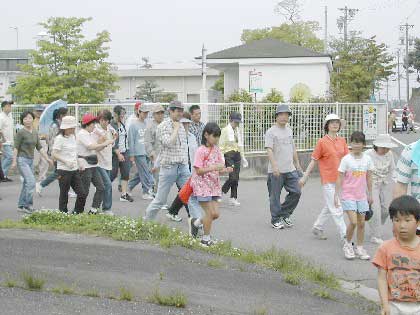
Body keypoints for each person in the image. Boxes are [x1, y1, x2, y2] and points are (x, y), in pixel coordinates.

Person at [144, 101, 202, 222]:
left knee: (191, 196)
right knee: (160, 199)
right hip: (169, 167)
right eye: (177, 111)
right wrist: (175, 129)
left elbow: (183, 147)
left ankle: (198, 224)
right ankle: (146, 222)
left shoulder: (181, 126)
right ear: (170, 111)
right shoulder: (163, 126)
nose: (180, 113)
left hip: (183, 167)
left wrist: (187, 165)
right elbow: (168, 143)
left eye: (181, 111)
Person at [300, 114, 348, 242]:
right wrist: (305, 176)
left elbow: (348, 160)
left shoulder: (342, 141)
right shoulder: (322, 142)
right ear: (327, 125)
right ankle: (345, 236)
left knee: (330, 205)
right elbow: (313, 160)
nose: (335, 124)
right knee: (336, 207)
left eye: (337, 122)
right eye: (332, 122)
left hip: (341, 180)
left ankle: (317, 226)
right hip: (328, 180)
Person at [372, 195, 420, 315]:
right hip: (393, 305)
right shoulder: (385, 248)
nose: (402, 225)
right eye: (397, 220)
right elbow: (382, 278)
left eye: (407, 220)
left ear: (418, 222)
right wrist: (384, 304)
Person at [189, 122, 233, 246]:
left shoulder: (216, 150)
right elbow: (198, 170)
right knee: (209, 213)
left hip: (214, 186)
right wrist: (214, 167)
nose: (217, 139)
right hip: (202, 186)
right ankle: (205, 239)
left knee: (215, 214)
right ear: (206, 135)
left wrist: (225, 169)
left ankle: (196, 223)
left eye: (218, 136)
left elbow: (219, 167)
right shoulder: (200, 151)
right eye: (215, 136)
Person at [335, 131, 373, 260]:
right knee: (353, 221)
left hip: (361, 196)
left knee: (362, 223)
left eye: (359, 143)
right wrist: (336, 195)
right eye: (354, 142)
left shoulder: (367, 159)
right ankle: (347, 244)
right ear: (351, 143)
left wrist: (370, 194)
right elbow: (339, 177)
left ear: (363, 144)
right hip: (348, 195)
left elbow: (369, 177)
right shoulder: (346, 159)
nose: (356, 145)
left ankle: (360, 247)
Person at [265, 104, 303, 229]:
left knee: (296, 192)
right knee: (275, 196)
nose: (284, 117)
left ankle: (285, 213)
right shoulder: (271, 132)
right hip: (276, 171)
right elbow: (269, 150)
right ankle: (275, 219)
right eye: (281, 114)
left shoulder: (289, 130)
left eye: (286, 114)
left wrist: (297, 165)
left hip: (290, 169)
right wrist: (275, 166)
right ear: (276, 116)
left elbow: (293, 148)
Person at [11, 111, 53, 213]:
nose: (28, 120)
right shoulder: (21, 132)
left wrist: (47, 158)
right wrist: (14, 161)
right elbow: (16, 148)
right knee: (31, 182)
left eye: (29, 118)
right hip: (22, 160)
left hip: (30, 160)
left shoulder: (34, 132)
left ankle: (21, 206)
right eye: (25, 119)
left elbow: (39, 147)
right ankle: (28, 205)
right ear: (22, 121)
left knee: (26, 183)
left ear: (33, 119)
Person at [166, 112, 198, 222]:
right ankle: (193, 217)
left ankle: (172, 211)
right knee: (187, 192)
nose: (185, 126)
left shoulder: (192, 137)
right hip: (180, 168)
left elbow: (196, 154)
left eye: (187, 123)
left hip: (191, 167)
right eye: (182, 123)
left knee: (184, 192)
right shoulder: (176, 137)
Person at [77, 113, 113, 214]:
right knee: (84, 191)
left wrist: (105, 144)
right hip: (85, 165)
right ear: (88, 124)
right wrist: (105, 143)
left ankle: (93, 210)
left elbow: (97, 147)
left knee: (101, 187)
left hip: (93, 165)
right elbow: (91, 146)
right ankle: (78, 211)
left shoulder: (90, 134)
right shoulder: (82, 134)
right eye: (93, 123)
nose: (95, 125)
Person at [51, 116, 87, 214]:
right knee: (64, 194)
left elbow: (75, 153)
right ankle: (63, 214)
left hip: (74, 170)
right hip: (63, 170)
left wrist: (79, 163)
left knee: (82, 193)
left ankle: (77, 212)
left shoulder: (73, 137)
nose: (73, 129)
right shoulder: (59, 138)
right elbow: (54, 154)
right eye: (71, 127)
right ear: (65, 128)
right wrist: (65, 161)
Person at [366, 134, 397, 244]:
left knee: (385, 210)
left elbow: (393, 170)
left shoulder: (390, 154)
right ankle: (376, 235)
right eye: (383, 147)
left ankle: (375, 225)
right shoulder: (368, 154)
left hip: (383, 184)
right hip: (371, 184)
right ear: (376, 145)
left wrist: (398, 181)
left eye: (387, 147)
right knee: (376, 210)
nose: (385, 150)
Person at [36, 107, 68, 196]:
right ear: (61, 115)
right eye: (66, 114)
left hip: (57, 152)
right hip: (56, 153)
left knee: (62, 173)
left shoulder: (58, 124)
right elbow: (53, 140)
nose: (67, 116)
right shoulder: (55, 126)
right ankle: (41, 184)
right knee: (59, 172)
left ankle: (65, 191)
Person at [219, 112, 249, 206]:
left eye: (238, 122)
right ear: (230, 120)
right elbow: (221, 145)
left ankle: (233, 197)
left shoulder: (237, 131)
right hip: (229, 155)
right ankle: (221, 192)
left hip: (237, 155)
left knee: (236, 178)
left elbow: (240, 145)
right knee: (232, 177)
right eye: (235, 122)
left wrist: (243, 157)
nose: (237, 124)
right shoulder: (225, 130)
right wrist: (222, 159)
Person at [128, 102, 155, 200]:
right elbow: (131, 140)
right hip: (138, 152)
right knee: (146, 172)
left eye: (147, 113)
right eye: (144, 112)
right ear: (139, 112)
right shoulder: (133, 125)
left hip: (147, 151)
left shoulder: (147, 124)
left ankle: (128, 187)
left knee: (140, 174)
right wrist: (132, 154)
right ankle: (146, 191)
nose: (145, 115)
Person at [94, 110, 117, 215]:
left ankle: (96, 207)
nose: (104, 122)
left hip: (108, 162)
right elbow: (94, 147)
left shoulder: (110, 129)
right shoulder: (96, 130)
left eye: (106, 120)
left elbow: (113, 141)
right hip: (98, 162)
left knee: (102, 186)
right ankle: (106, 208)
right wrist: (102, 141)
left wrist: (114, 137)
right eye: (102, 120)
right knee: (107, 185)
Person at [111, 105, 133, 202]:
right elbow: (112, 142)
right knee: (113, 173)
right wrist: (118, 154)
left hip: (125, 151)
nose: (123, 116)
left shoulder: (123, 124)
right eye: (121, 114)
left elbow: (126, 138)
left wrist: (128, 153)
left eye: (124, 114)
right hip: (115, 153)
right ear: (116, 114)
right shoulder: (111, 125)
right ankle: (102, 187)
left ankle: (124, 194)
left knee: (125, 173)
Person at [145, 104, 165, 194]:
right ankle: (158, 198)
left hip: (167, 156)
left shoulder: (166, 124)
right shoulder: (150, 127)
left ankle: (159, 197)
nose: (160, 115)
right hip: (157, 156)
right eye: (158, 113)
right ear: (153, 115)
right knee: (159, 178)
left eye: (162, 113)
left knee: (165, 179)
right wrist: (153, 155)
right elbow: (148, 143)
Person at [32, 105, 49, 182]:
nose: (39, 112)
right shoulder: (31, 120)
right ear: (34, 111)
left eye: (41, 111)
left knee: (45, 161)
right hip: (34, 142)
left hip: (43, 141)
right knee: (34, 161)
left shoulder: (46, 120)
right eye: (37, 111)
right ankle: (30, 177)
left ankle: (42, 177)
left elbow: (48, 132)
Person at [0, 100, 15, 181]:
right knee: (10, 157)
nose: (10, 108)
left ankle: (3, 175)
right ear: (3, 107)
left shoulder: (10, 116)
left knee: (6, 158)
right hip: (4, 142)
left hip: (10, 141)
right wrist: (3, 140)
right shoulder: (1, 117)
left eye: (10, 106)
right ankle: (2, 175)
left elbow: (11, 129)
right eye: (8, 106)